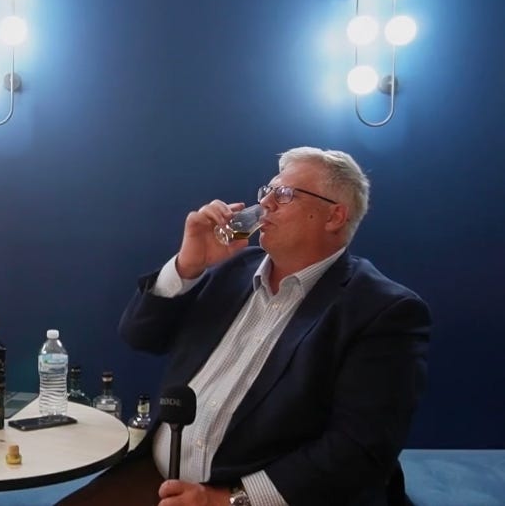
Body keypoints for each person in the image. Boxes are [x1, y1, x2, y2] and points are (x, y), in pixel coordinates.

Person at [58, 147, 430, 506]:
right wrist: (188, 265)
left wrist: (229, 499)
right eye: (267, 190)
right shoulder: (233, 268)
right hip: (160, 475)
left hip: (257, 496)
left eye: (285, 194)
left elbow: (358, 448)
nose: (265, 203)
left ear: (334, 217)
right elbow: (139, 336)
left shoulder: (383, 310)